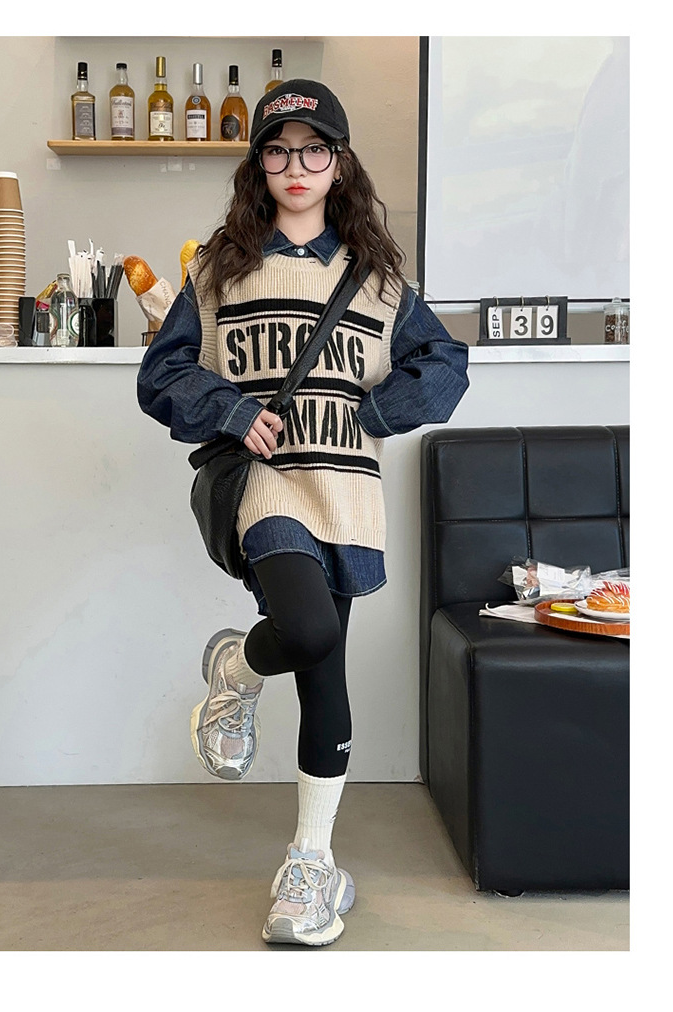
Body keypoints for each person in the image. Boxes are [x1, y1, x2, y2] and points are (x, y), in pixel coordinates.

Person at [136, 78, 469, 947]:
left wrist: (384, 407)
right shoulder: (219, 270)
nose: (296, 165)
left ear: (339, 164)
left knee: (326, 674)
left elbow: (446, 363)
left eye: (314, 149)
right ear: (259, 164)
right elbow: (161, 376)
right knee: (310, 631)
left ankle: (311, 863)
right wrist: (231, 408)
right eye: (279, 150)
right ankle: (241, 671)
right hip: (270, 488)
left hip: (348, 492)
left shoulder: (382, 281)